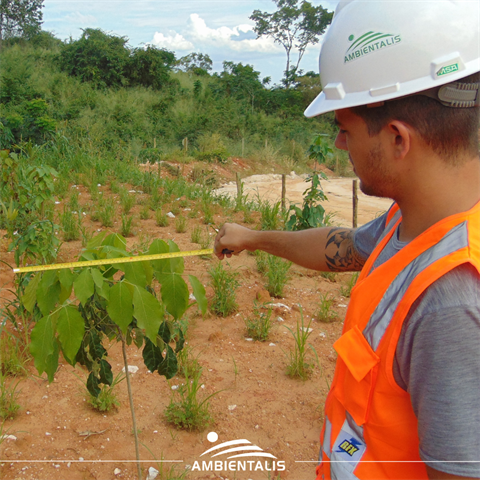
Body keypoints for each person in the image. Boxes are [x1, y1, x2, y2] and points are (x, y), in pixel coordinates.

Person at [214, 1, 480, 479]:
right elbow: (346, 246)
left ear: (398, 138)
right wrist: (253, 238)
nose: (339, 145)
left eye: (344, 128)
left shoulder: (451, 301)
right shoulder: (418, 221)